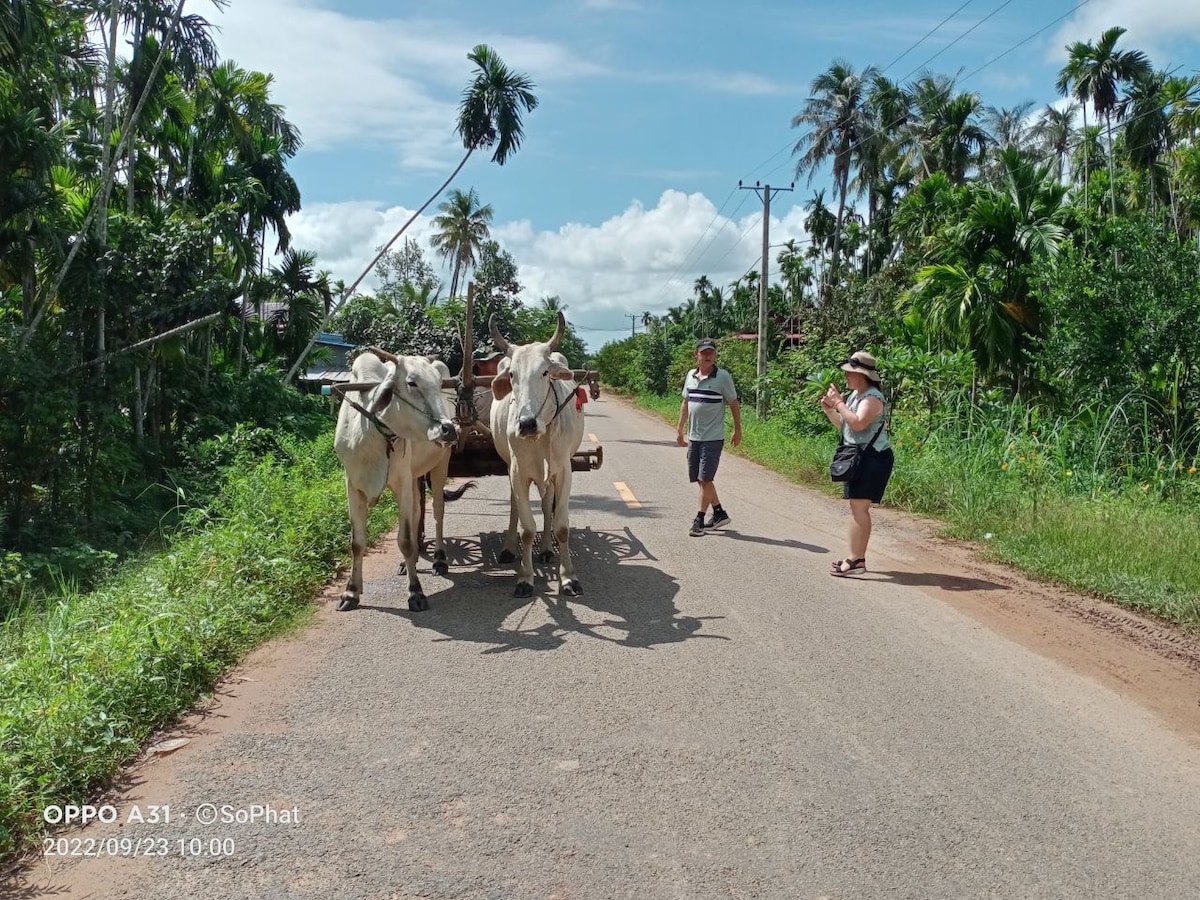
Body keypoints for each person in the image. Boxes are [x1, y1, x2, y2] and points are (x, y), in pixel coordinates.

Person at [819, 350, 893, 576]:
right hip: (858, 455)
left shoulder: (871, 398)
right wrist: (831, 409)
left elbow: (859, 423)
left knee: (859, 509)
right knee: (856, 508)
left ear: (862, 375)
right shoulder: (856, 396)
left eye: (850, 373)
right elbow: (846, 427)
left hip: (872, 458)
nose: (846, 376)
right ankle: (856, 557)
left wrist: (839, 403)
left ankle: (856, 559)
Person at [676, 338, 742, 537]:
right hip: (693, 436)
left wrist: (738, 429)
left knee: (706, 478)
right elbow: (686, 403)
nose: (707, 356)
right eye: (703, 352)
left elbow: (734, 403)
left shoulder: (722, 377)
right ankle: (719, 512)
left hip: (713, 438)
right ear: (696, 355)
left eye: (710, 352)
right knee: (699, 478)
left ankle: (699, 519)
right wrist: (680, 428)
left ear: (715, 355)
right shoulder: (690, 376)